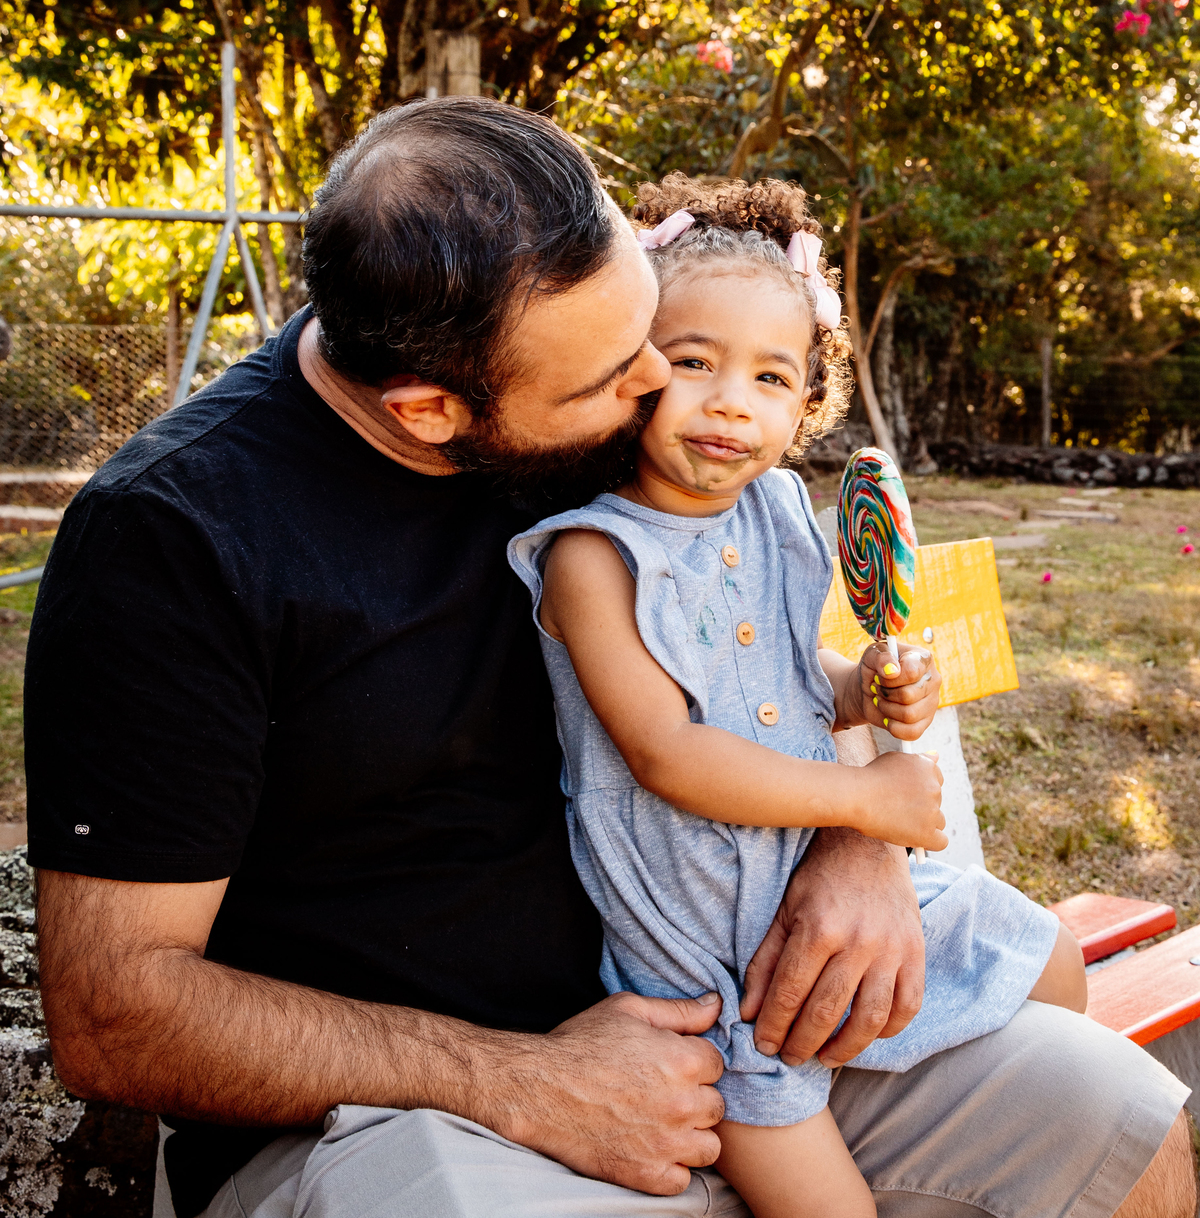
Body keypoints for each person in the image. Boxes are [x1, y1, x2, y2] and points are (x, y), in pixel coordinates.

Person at [23, 101, 1195, 1218]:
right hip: (420, 1114)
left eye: (648, 336)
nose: (657, 389)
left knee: (1110, 1114)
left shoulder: (600, 377)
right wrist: (517, 1080)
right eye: (616, 375)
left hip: (749, 994)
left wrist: (859, 844)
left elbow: (809, 636)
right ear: (431, 412)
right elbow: (117, 1014)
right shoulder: (174, 542)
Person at [509, 176, 1091, 1218]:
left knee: (1052, 960)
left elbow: (786, 677)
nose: (732, 401)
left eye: (772, 376)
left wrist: (861, 689)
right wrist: (863, 802)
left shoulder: (777, 507)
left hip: (813, 881)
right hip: (711, 962)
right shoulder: (594, 556)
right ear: (634, 368)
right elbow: (667, 751)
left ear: (804, 404)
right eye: (695, 362)